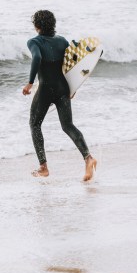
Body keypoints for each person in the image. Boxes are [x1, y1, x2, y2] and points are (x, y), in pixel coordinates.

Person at [22, 10, 97, 181]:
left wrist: (30, 83)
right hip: (63, 88)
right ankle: (88, 158)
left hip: (46, 90)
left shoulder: (34, 42)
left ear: (37, 26)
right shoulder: (62, 41)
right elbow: (72, 65)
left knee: (35, 124)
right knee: (68, 125)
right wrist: (73, 86)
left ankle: (43, 168)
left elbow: (37, 58)